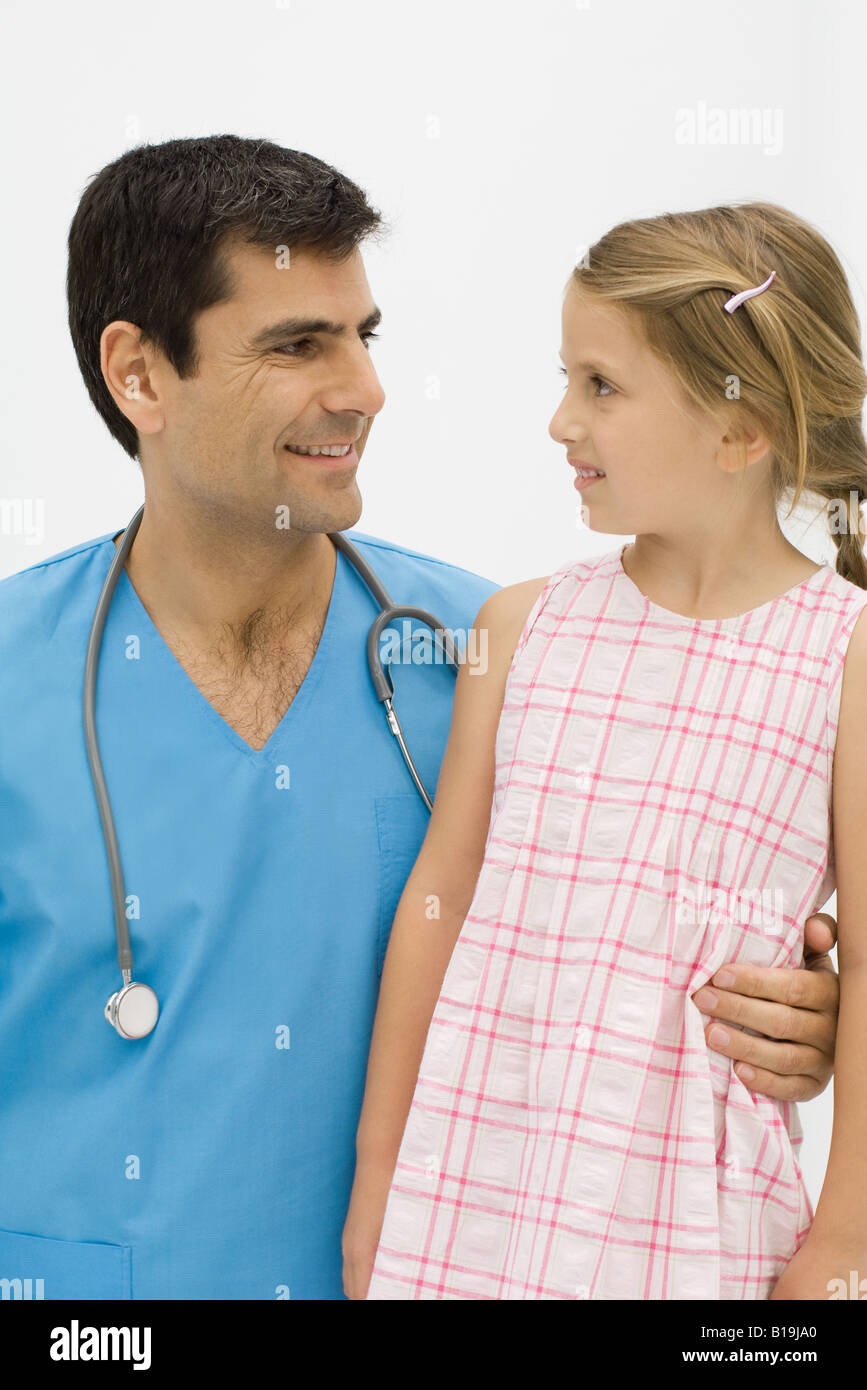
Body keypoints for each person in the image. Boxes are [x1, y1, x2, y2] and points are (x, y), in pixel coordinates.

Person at [0, 140, 841, 1303]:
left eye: (366, 335)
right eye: (299, 344)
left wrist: (791, 1012)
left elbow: (667, 906)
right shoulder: (16, 675)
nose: (365, 388)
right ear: (140, 376)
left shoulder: (501, 658)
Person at [346, 201, 867, 1301]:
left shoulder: (846, 657)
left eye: (601, 386)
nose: (559, 421)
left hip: (696, 1233)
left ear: (739, 429)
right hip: (470, 1201)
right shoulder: (519, 628)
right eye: (566, 378)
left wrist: (843, 1243)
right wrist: (380, 1173)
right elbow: (440, 903)